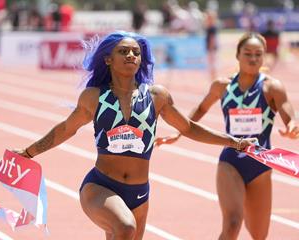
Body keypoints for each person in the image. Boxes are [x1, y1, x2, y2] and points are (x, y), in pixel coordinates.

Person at [13, 31, 256, 240]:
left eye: (136, 52)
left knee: (124, 232)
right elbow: (66, 129)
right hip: (100, 186)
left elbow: (189, 128)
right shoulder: (94, 97)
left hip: (140, 192)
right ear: (108, 59)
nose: (131, 55)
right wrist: (29, 152)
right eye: (124, 51)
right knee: (125, 226)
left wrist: (235, 142)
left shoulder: (156, 96)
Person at [155, 32, 299, 239]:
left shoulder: (272, 87)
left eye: (258, 54)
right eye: (247, 53)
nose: (253, 58)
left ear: (264, 57)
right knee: (232, 224)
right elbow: (201, 108)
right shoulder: (222, 86)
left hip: (261, 165)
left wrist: (292, 128)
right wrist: (179, 133)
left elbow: (289, 116)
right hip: (231, 162)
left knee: (260, 234)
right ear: (237, 55)